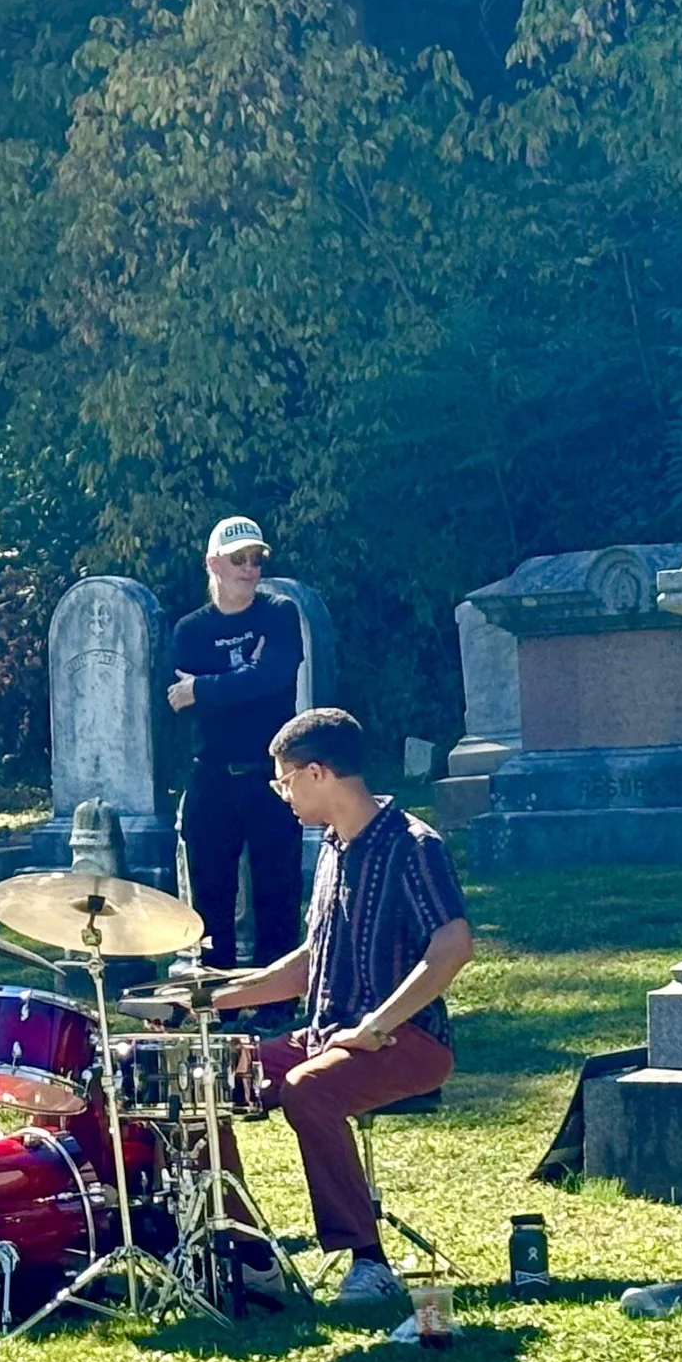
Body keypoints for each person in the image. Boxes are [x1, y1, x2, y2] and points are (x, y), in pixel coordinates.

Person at [209, 708, 473, 1309]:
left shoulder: (413, 845)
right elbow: (310, 961)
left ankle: (369, 1261)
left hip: (409, 1041)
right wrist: (214, 997)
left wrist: (377, 1025)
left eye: (284, 780)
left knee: (307, 1089)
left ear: (318, 773)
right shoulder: (331, 848)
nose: (282, 795)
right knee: (207, 1078)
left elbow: (453, 946)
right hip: (326, 1034)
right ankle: (250, 1257)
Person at [167, 515, 305, 971]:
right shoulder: (190, 630)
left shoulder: (279, 612)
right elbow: (176, 701)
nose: (250, 568)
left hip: (273, 778)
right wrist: (243, 680)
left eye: (256, 559)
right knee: (210, 902)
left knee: (277, 894)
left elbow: (275, 678)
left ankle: (277, 1008)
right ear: (214, 564)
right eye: (239, 559)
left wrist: (205, 689)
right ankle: (219, 1004)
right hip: (211, 778)